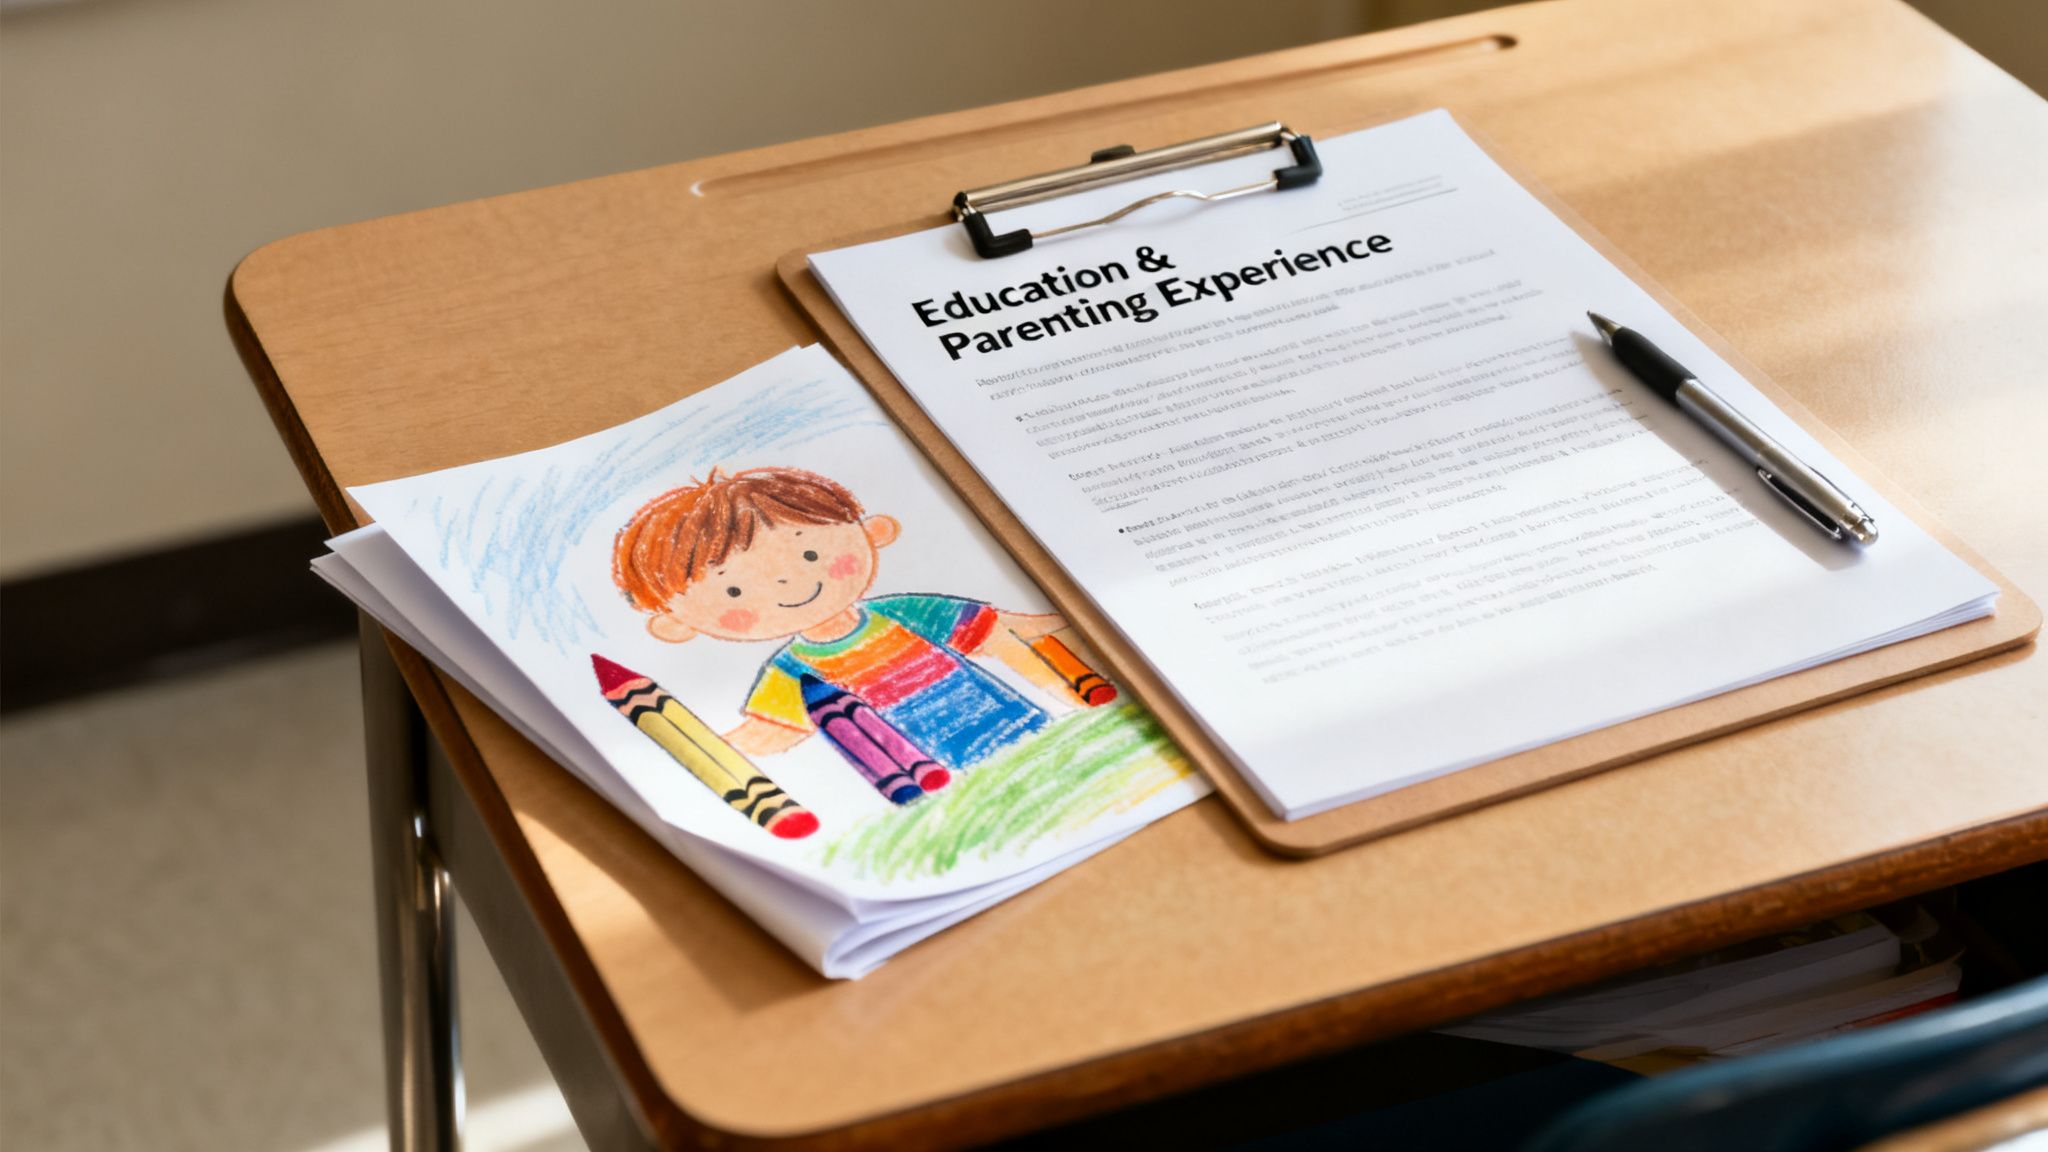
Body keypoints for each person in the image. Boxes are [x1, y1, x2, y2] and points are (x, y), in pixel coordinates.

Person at [612, 466, 1065, 774]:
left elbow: (996, 627)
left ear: (873, 533)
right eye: (734, 590)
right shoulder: (794, 673)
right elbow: (771, 730)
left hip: (1024, 726)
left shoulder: (903, 612)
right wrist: (698, 752)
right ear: (678, 624)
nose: (789, 582)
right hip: (935, 768)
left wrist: (1075, 616)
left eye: (810, 552)